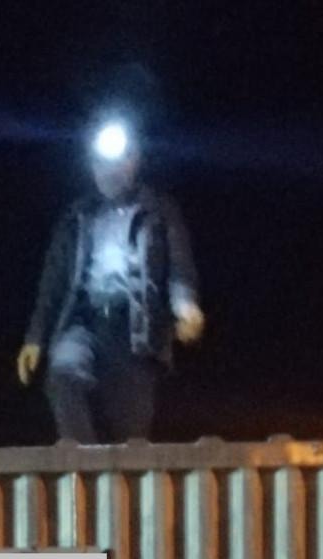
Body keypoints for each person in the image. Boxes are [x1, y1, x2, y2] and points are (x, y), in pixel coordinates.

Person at [17, 115, 204, 443]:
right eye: (100, 164)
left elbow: (179, 267)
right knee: (63, 373)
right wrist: (35, 337)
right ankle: (84, 462)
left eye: (116, 162)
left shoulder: (158, 211)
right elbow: (53, 281)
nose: (107, 171)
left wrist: (185, 306)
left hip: (135, 333)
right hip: (84, 322)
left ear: (134, 161)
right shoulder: (77, 216)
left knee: (129, 434)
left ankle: (115, 473)